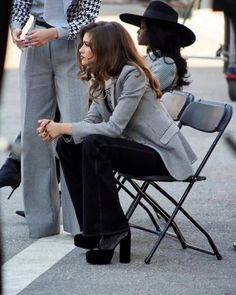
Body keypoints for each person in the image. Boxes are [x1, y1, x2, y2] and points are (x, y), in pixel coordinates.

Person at [37, 21, 197, 264]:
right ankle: (95, 228)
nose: (81, 49)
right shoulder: (102, 77)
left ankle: (114, 230)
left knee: (95, 145)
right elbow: (90, 121)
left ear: (106, 47)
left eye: (88, 45)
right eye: (82, 44)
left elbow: (114, 128)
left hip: (161, 155)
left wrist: (63, 127)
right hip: (134, 148)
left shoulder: (133, 75)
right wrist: (60, 132)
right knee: (68, 146)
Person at [4, 0, 101, 239]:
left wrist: (56, 32)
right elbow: (19, 4)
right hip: (34, 42)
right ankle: (41, 221)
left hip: (74, 45)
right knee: (32, 131)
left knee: (75, 130)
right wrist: (16, 27)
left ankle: (80, 220)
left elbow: (89, 15)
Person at [119, 0, 196, 93]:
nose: (138, 31)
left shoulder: (167, 64)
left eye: (142, 27)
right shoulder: (150, 57)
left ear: (155, 33)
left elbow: (140, 92)